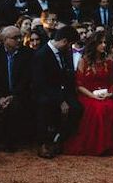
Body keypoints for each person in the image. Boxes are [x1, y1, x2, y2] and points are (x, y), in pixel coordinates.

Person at [63, 32, 113, 156]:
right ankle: (96, 145)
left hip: (104, 94)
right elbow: (79, 85)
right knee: (98, 109)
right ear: (94, 44)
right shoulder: (83, 61)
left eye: (105, 43)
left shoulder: (108, 62)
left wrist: (110, 93)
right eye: (100, 43)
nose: (103, 45)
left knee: (112, 107)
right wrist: (93, 96)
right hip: (87, 95)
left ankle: (110, 145)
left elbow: (112, 82)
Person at [32, 26, 82, 159]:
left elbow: (67, 76)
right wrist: (60, 101)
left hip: (63, 91)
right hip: (46, 93)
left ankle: (59, 140)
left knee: (77, 108)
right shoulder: (41, 55)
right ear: (65, 41)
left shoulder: (65, 52)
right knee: (44, 105)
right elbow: (40, 83)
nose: (71, 47)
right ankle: (43, 143)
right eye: (70, 44)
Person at [0, 25, 33, 151]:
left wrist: (12, 96)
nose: (19, 40)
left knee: (15, 106)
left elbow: (26, 80)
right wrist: (0, 97)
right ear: (5, 40)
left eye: (20, 37)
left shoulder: (27, 54)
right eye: (15, 38)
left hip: (19, 93)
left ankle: (9, 141)